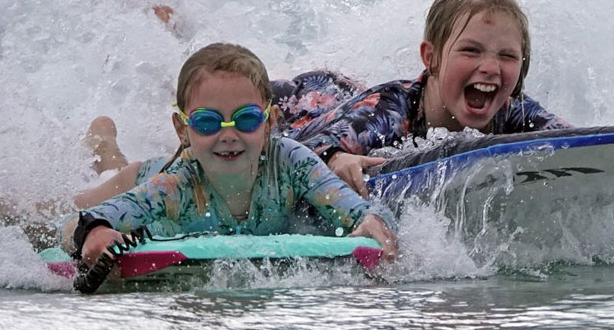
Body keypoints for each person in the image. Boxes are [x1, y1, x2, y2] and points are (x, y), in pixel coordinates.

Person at [77, 0, 569, 201]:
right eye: (472, 51)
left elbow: (578, 142)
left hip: (342, 97)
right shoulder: (393, 111)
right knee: (198, 135)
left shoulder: (512, 109)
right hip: (301, 106)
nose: (491, 68)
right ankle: (108, 148)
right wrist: (335, 159)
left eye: (507, 56)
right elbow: (302, 151)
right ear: (431, 57)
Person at [70, 43, 399, 266]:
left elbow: (354, 208)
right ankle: (103, 144)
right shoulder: (173, 185)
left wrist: (370, 221)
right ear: (182, 129)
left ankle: (107, 147)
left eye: (245, 119)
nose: (228, 135)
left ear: (269, 121)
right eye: (208, 122)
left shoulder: (290, 161)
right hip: (143, 175)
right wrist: (94, 233)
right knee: (66, 204)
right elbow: (80, 223)